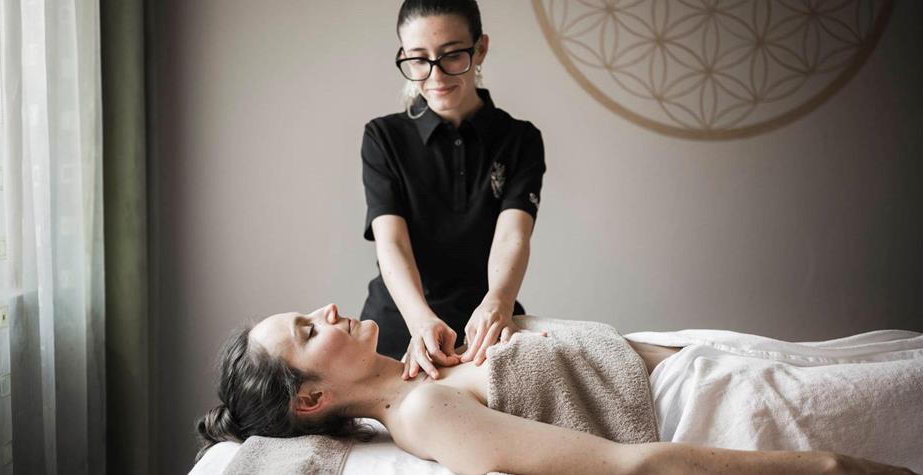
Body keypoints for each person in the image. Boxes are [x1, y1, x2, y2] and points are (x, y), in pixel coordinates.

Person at [196, 304, 919, 474]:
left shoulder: (428, 362)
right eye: (306, 329)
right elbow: (619, 464)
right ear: (312, 399)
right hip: (727, 409)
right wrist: (828, 467)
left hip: (719, 362)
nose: (326, 310)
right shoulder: (423, 410)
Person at [360, 0, 545, 379]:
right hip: (400, 324)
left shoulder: (519, 139)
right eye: (418, 59)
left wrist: (500, 300)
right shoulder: (383, 137)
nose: (435, 76)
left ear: (480, 49)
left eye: (451, 56)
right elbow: (390, 242)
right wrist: (421, 322)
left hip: (487, 325)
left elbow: (513, 235)